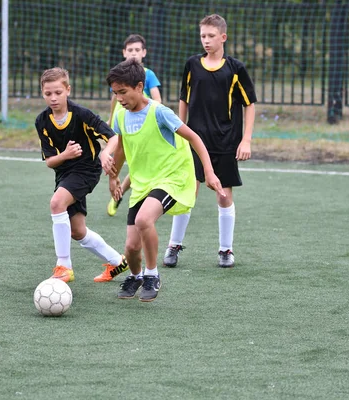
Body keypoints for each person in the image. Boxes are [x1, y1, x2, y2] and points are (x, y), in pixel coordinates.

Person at [104, 59, 225, 302]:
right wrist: (114, 177)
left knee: (144, 220)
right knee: (131, 248)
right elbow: (122, 148)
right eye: (115, 93)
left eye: (123, 92)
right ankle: (137, 276)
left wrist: (209, 173)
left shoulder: (159, 112)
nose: (119, 99)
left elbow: (195, 139)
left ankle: (152, 275)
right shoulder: (121, 116)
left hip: (171, 178)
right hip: (141, 184)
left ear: (139, 87)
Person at [162, 13, 257, 269]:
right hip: (194, 140)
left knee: (224, 196)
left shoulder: (235, 69)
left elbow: (250, 105)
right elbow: (183, 99)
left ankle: (226, 250)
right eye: (203, 35)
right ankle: (174, 245)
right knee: (186, 193)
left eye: (211, 36)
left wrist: (246, 140)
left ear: (223, 37)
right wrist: (179, 133)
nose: (206, 40)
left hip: (225, 142)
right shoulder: (192, 65)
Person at [35, 67, 129, 284]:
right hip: (64, 174)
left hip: (87, 169)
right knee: (77, 231)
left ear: (68, 90)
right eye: (48, 93)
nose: (53, 97)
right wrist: (66, 154)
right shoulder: (42, 121)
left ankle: (64, 266)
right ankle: (117, 261)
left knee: (57, 203)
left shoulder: (82, 115)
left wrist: (106, 152)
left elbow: (113, 137)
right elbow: (50, 161)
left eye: (58, 92)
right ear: (42, 93)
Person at [106, 34, 162, 218]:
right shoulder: (120, 76)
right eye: (130, 50)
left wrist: (157, 116)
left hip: (145, 127)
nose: (133, 53)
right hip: (126, 126)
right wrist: (110, 118)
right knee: (126, 159)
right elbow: (115, 98)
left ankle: (121, 193)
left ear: (144, 53)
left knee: (138, 163)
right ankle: (120, 190)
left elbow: (157, 98)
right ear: (124, 52)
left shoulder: (149, 74)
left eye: (137, 50)